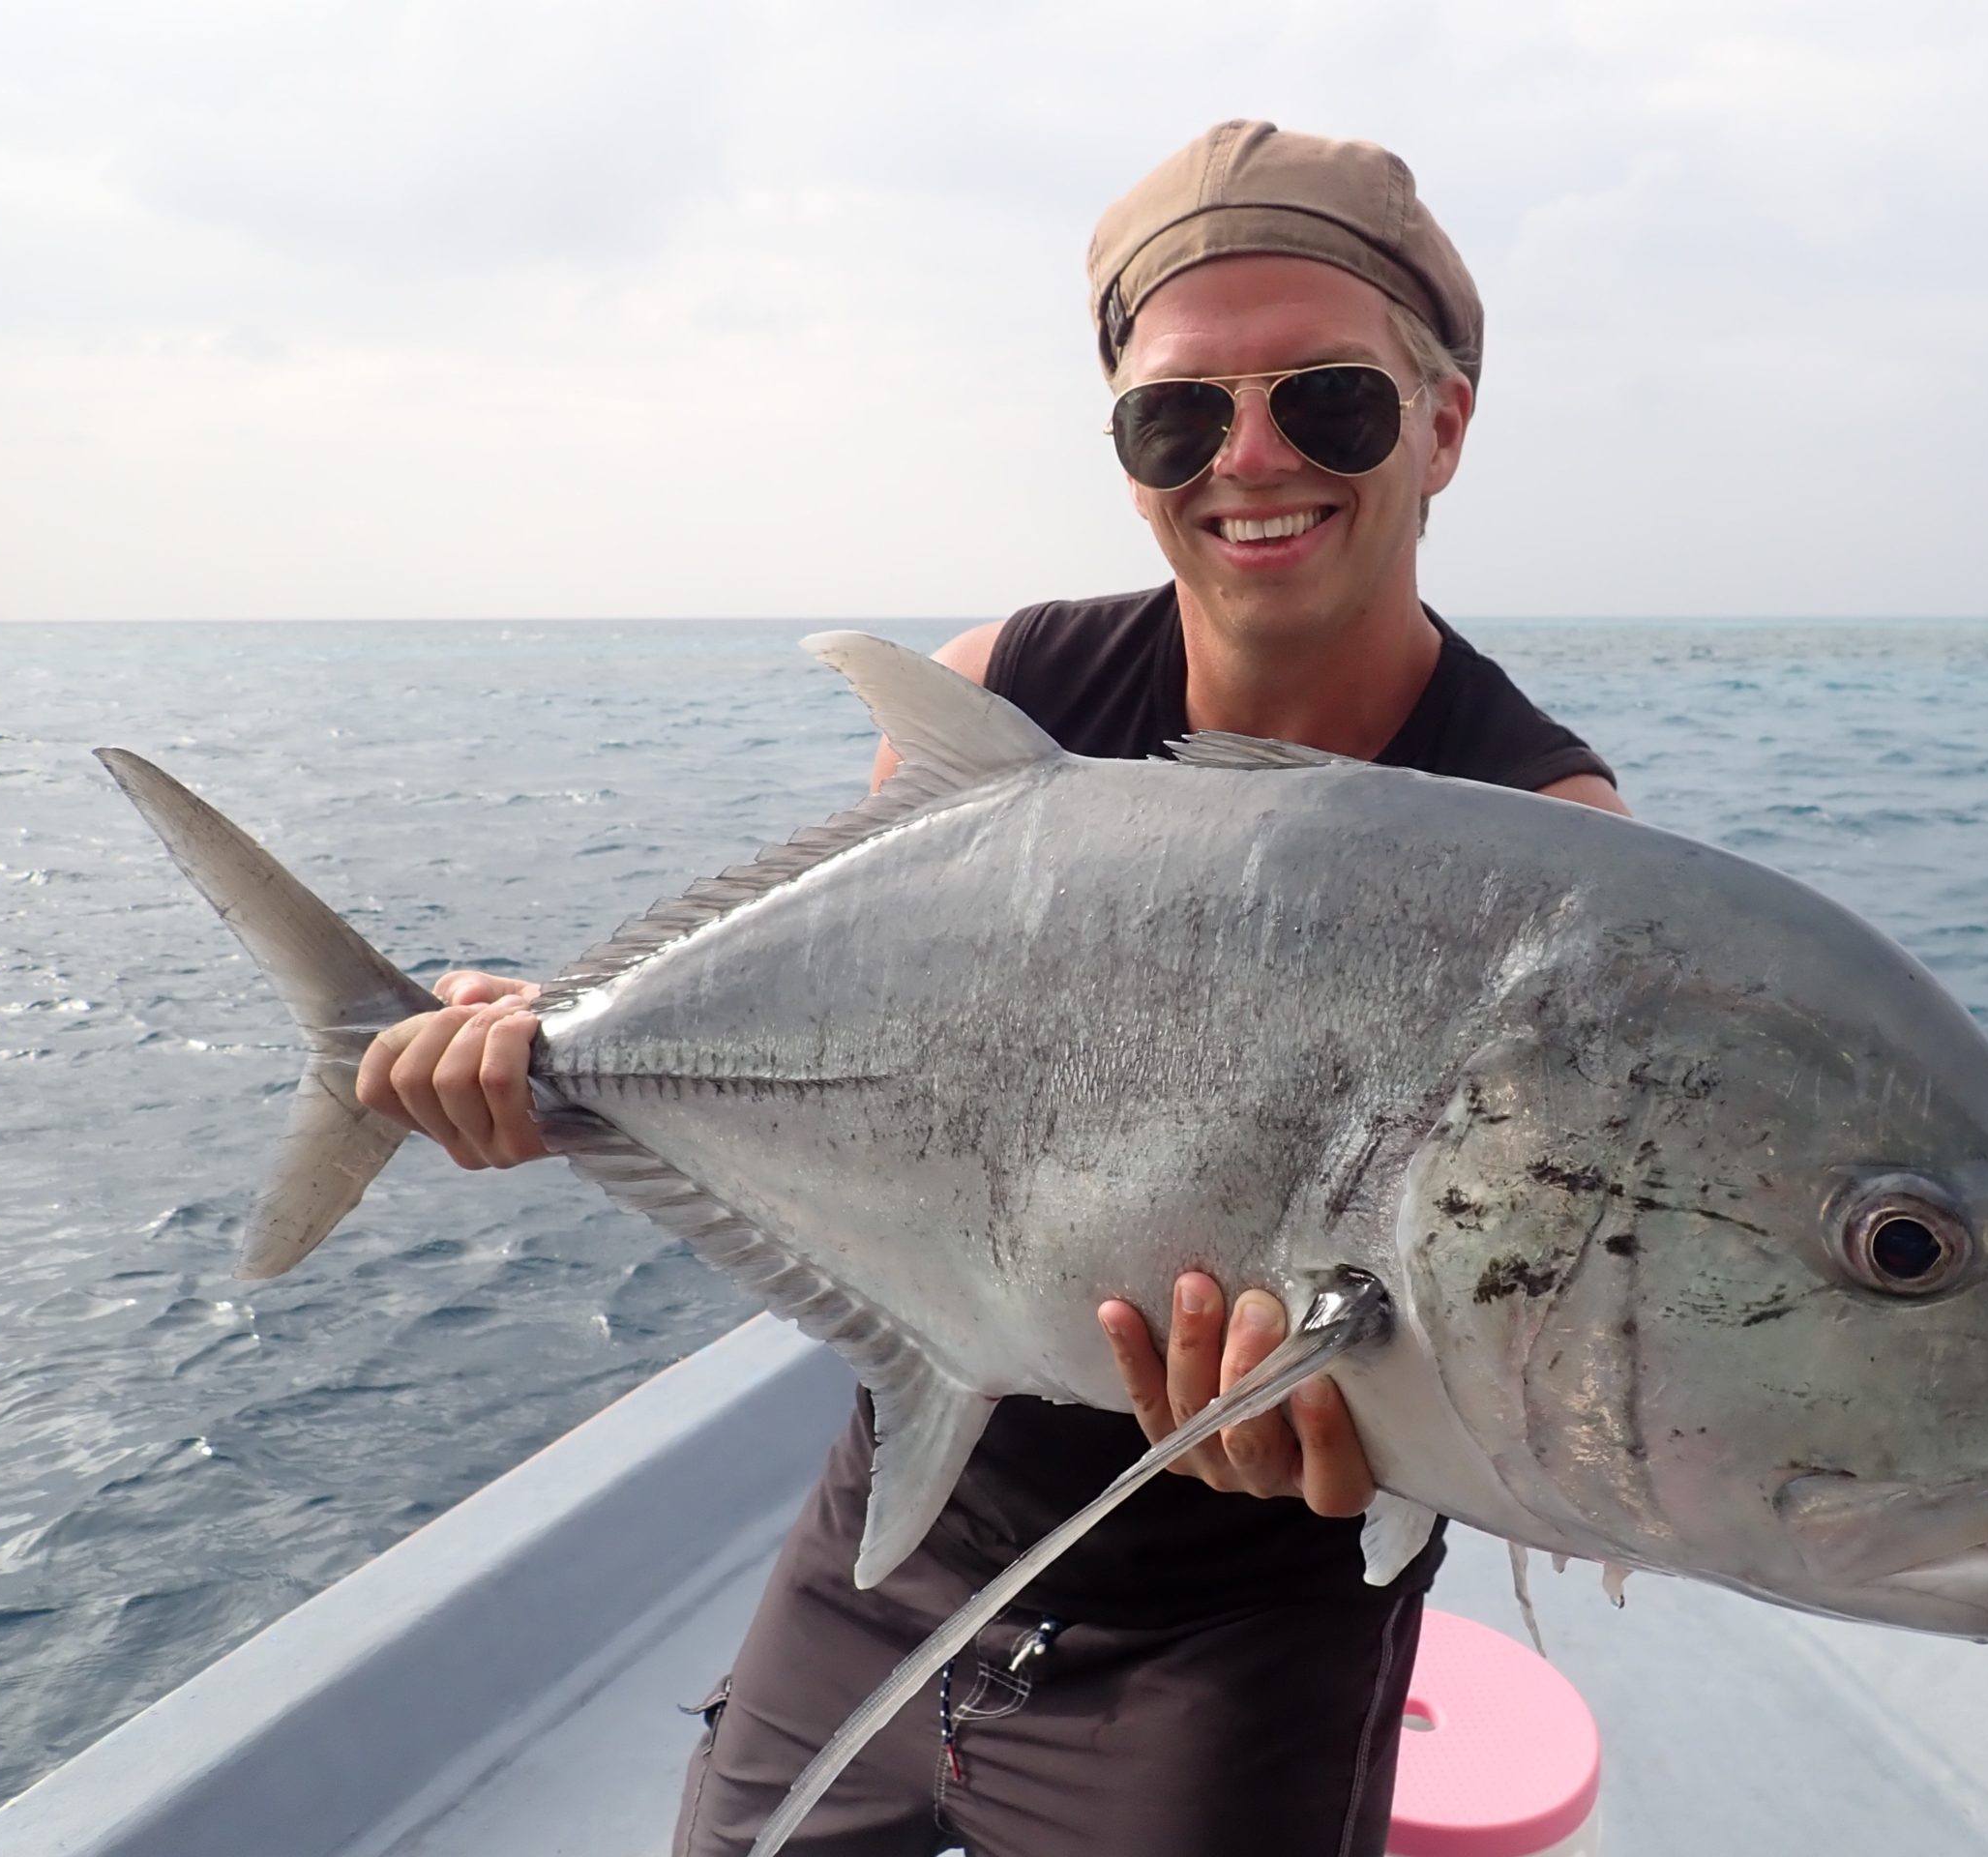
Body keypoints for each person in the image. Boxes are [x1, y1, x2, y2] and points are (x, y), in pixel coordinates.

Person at [357, 120, 1626, 1857]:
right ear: (1128, 453)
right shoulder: (1000, 692)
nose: (1250, 459)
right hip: (914, 1508)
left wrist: (1382, 1437)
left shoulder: (1543, 846)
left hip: (1242, 1625)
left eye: (1325, 400)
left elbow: (1511, 1321)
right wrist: (560, 1062)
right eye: (1180, 414)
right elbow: (849, 1065)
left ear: (1443, 424)